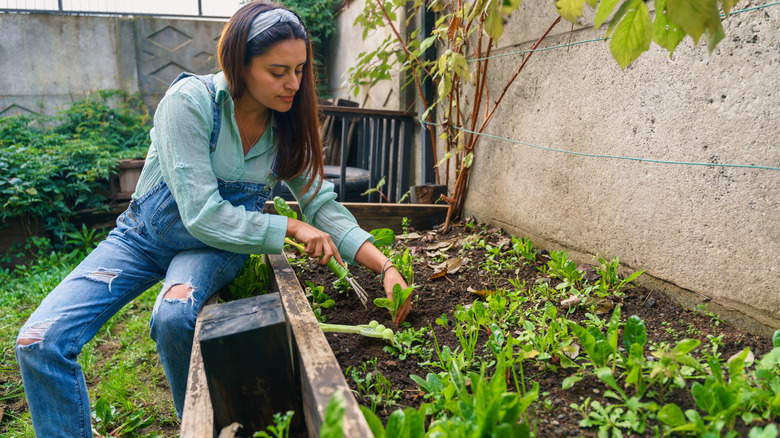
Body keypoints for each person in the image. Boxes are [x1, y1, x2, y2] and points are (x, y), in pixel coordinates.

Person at [15, 2, 410, 436]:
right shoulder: (190, 104)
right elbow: (202, 212)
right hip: (142, 237)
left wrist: (385, 267)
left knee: (173, 318)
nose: (293, 84)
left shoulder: (287, 126)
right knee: (39, 342)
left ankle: (203, 425)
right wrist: (291, 227)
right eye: (278, 72)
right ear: (239, 64)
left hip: (216, 245)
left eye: (299, 70)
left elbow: (322, 204)